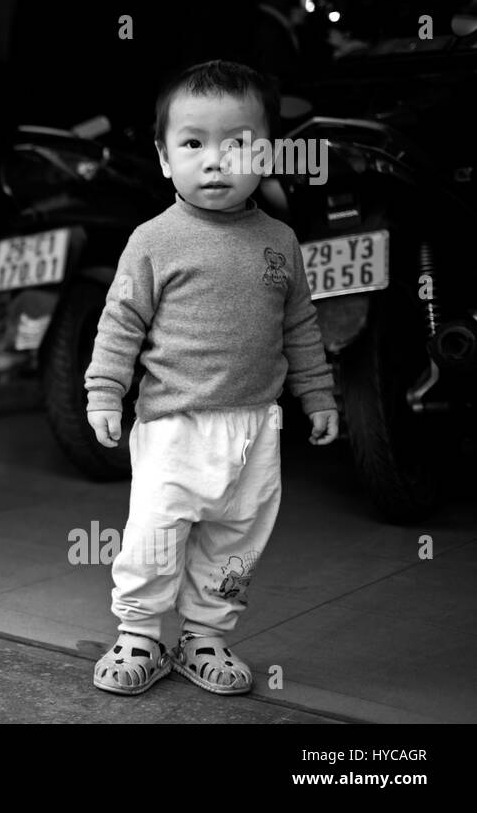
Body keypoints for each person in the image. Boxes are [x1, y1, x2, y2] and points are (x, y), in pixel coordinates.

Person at [85, 59, 338, 696]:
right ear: (165, 159)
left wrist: (318, 393)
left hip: (256, 424)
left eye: (239, 143)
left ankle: (205, 634)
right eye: (194, 144)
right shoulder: (154, 240)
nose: (216, 160)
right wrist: (104, 390)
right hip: (175, 423)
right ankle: (140, 632)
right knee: (155, 533)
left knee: (237, 537)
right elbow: (121, 322)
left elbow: (300, 323)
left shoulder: (279, 239)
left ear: (271, 153)